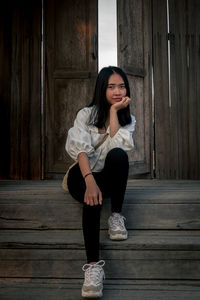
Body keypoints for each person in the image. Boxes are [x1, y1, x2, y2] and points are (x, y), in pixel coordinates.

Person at [65, 66, 136, 298]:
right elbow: (80, 151)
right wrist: (89, 181)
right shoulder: (85, 114)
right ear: (101, 88)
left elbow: (118, 145)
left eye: (121, 86)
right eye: (111, 86)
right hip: (83, 176)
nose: (117, 91)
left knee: (119, 156)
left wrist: (115, 111)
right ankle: (93, 266)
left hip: (106, 178)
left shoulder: (128, 119)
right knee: (91, 196)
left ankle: (116, 215)